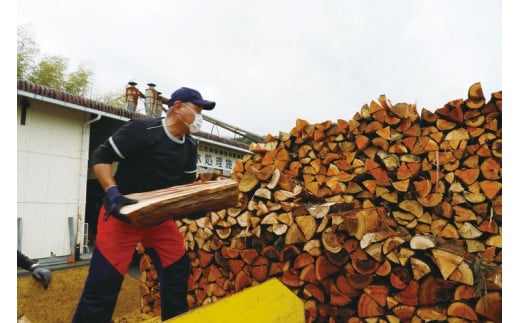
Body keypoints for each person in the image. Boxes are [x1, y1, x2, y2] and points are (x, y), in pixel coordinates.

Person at [72, 87, 215, 323]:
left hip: (158, 218)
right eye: (197, 111)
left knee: (178, 268)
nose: (201, 118)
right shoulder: (142, 130)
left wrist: (192, 208)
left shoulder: (189, 147)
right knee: (102, 286)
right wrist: (113, 193)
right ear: (178, 107)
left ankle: (175, 318)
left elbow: (183, 188)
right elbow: (100, 158)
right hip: (122, 214)